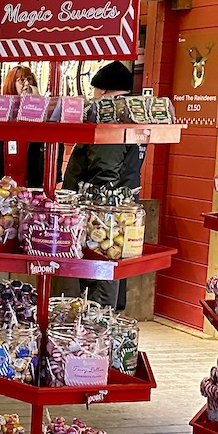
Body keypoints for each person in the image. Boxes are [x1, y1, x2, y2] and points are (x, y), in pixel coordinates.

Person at [61, 60, 144, 310]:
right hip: (123, 208)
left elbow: (104, 172)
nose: (93, 96)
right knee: (115, 265)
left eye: (95, 90)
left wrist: (91, 208)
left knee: (100, 267)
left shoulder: (111, 120)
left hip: (103, 212)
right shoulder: (133, 116)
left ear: (105, 91)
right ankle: (108, 320)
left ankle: (99, 324)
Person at [0, 65, 45, 187]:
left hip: (30, 185)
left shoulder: (39, 113)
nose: (26, 84)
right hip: (0, 184)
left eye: (29, 79)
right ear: (12, 83)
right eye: (21, 80)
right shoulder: (0, 111)